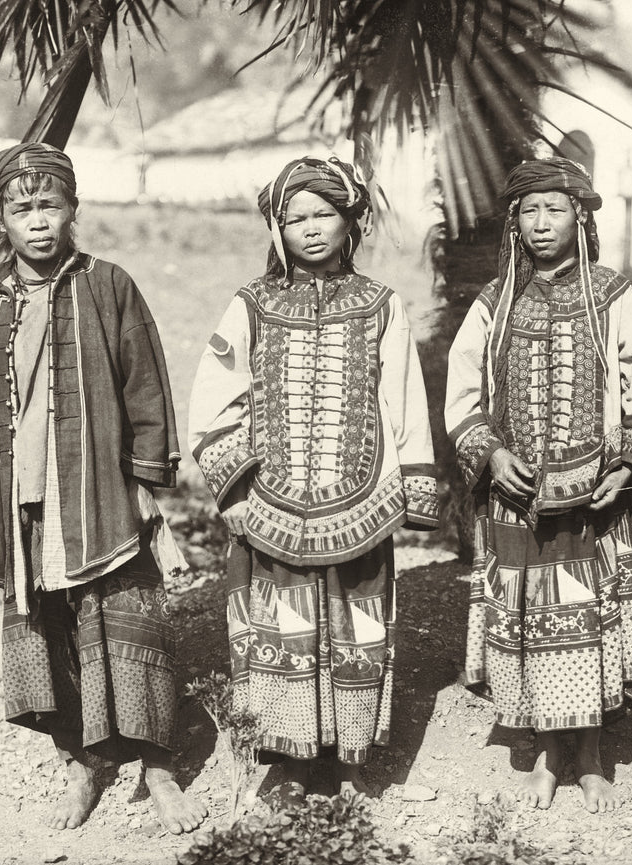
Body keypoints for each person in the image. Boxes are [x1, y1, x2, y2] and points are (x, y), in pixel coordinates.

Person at [0, 143, 207, 834]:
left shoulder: (110, 286)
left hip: (103, 491)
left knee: (130, 621)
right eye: (22, 209)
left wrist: (146, 480)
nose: (39, 221)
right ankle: (78, 762)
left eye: (50, 205)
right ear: (1, 220)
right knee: (45, 631)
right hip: (21, 500)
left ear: (73, 209)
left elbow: (145, 386)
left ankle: (158, 765)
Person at [188, 156, 439, 799]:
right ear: (276, 230)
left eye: (325, 213)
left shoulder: (381, 305)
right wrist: (235, 491)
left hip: (360, 505)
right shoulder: (252, 305)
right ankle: (289, 762)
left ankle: (351, 761)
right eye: (295, 217)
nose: (311, 228)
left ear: (350, 222)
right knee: (281, 629)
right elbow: (217, 399)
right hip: (268, 506)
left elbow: (404, 400)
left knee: (356, 623)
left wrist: (409, 489)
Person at [444, 157, 632, 814]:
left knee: (587, 624)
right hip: (515, 500)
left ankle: (592, 753)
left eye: (556, 209)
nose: (542, 224)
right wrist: (488, 450)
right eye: (529, 212)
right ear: (514, 222)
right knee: (534, 623)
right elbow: (463, 392)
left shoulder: (611, 295)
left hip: (593, 499)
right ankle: (546, 751)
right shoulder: (495, 302)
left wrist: (630, 465)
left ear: (581, 216)